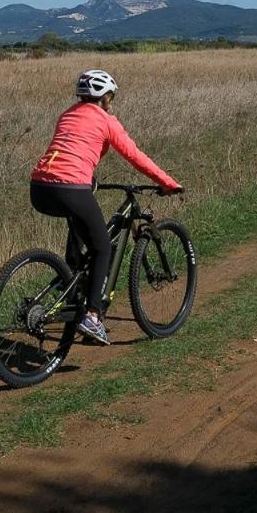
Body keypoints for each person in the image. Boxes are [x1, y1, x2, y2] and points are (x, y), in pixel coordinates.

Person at [30, 69, 182, 345]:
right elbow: (135, 156)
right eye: (111, 96)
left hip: (40, 187)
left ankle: (71, 290)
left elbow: (70, 149)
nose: (111, 101)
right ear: (106, 96)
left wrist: (89, 179)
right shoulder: (106, 120)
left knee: (81, 237)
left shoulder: (67, 114)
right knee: (102, 246)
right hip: (70, 187)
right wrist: (167, 182)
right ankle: (92, 316)